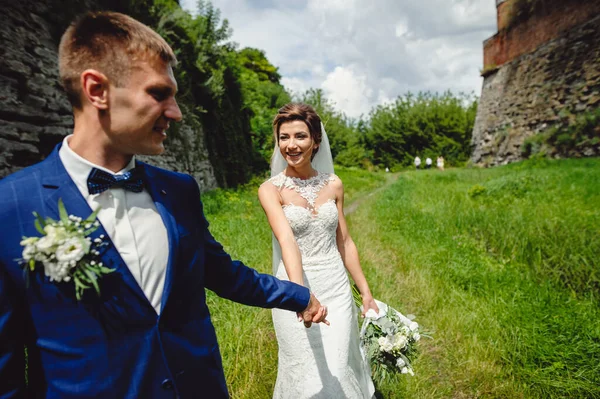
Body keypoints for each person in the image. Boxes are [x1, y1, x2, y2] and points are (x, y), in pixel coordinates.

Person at [0, 12, 328, 398]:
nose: (176, 112)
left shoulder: (180, 191)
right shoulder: (12, 206)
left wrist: (298, 295)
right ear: (96, 90)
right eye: (159, 94)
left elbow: (221, 274)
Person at [259, 103, 378, 398]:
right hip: (294, 284)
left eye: (300, 136)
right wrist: (301, 296)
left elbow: (345, 242)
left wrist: (366, 293)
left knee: (338, 366)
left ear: (316, 141)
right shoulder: (269, 190)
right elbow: (287, 241)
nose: (291, 145)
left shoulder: (334, 184)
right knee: (304, 371)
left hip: (335, 287)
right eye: (283, 137)